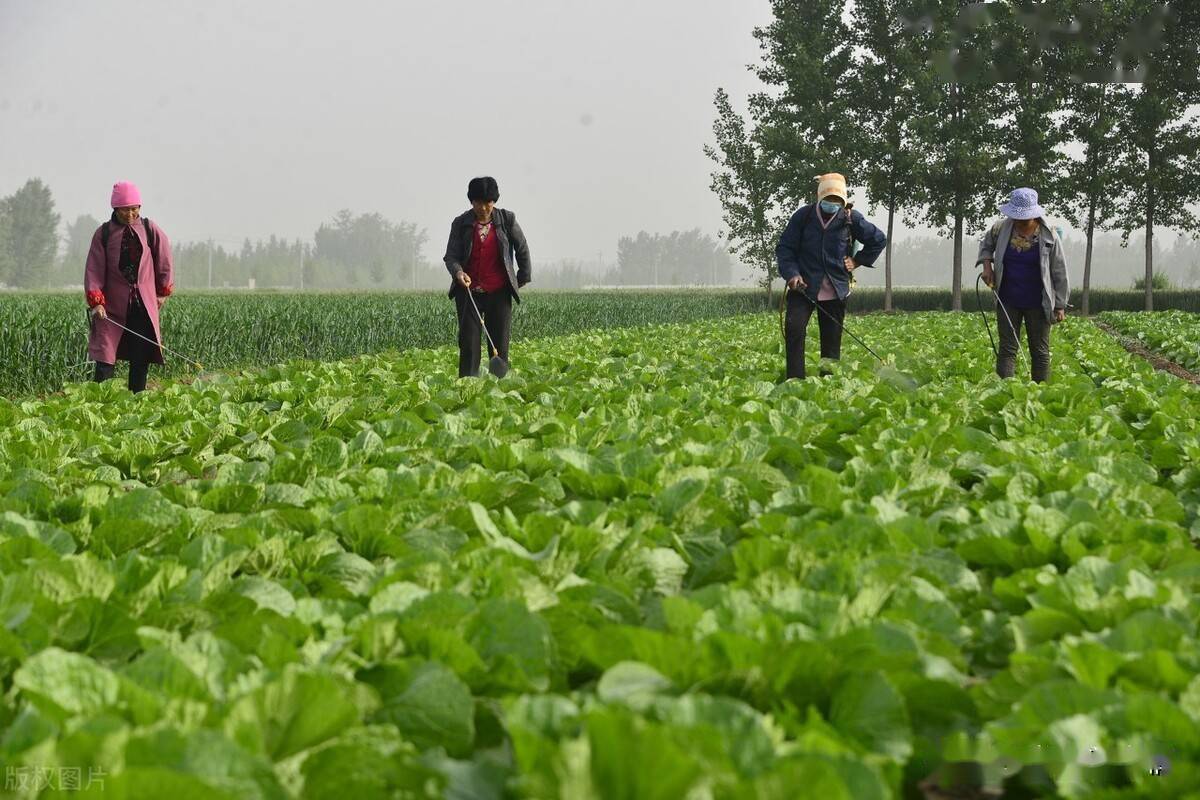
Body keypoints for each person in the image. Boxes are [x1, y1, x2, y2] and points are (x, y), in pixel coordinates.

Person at [776, 172, 887, 379]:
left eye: (837, 200)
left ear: (843, 201)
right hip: (804, 287)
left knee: (831, 341)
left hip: (836, 290)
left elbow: (879, 239)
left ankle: (828, 383)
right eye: (829, 200)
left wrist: (857, 260)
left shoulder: (851, 218)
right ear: (820, 198)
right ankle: (794, 379)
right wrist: (792, 274)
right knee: (794, 328)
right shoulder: (804, 216)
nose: (832, 204)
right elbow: (785, 248)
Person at [84, 181, 174, 393]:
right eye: (126, 209)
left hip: (142, 304)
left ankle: (137, 400)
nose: (131, 213)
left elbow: (165, 260)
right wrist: (96, 302)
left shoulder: (150, 230)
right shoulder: (103, 234)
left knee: (140, 355)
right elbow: (94, 269)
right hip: (111, 307)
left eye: (135, 208)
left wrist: (163, 292)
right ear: (115, 208)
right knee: (105, 357)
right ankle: (100, 402)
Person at [976, 187, 1069, 383]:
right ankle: (1004, 391)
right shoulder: (1000, 228)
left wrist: (1060, 305)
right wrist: (987, 266)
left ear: (1034, 215)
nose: (1019, 221)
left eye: (1024, 218)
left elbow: (1059, 270)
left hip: (1038, 300)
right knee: (1007, 349)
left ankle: (1041, 393)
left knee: (1040, 351)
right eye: (1016, 217)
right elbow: (986, 245)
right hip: (1008, 298)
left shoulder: (1049, 235)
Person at [443, 176, 531, 377]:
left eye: (488, 202)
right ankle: (468, 388)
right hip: (469, 293)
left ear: (494, 201)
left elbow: (522, 249)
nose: (483, 207)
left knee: (498, 346)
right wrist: (458, 272)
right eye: (478, 202)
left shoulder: (507, 220)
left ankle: (499, 390)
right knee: (469, 344)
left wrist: (521, 278)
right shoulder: (460, 223)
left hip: (498, 292)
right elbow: (451, 256)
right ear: (471, 201)